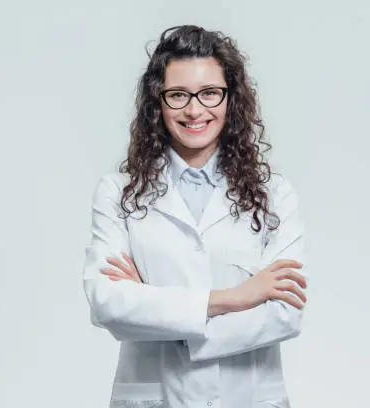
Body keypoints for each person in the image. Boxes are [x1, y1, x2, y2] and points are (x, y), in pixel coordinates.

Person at [82, 25, 309, 408]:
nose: (194, 109)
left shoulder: (274, 195)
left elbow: (285, 313)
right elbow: (108, 305)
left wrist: (154, 308)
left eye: (209, 93)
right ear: (158, 102)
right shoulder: (118, 193)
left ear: (229, 100)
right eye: (178, 95)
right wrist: (237, 297)